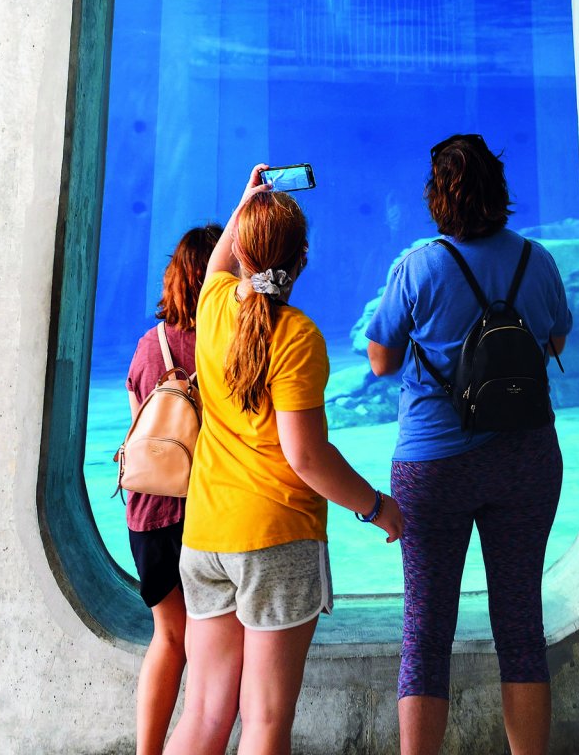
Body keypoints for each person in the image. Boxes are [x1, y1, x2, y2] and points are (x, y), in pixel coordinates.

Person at [164, 165, 403, 755]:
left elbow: (222, 262)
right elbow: (306, 454)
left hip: (205, 538)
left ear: (241, 248)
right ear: (302, 260)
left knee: (202, 713)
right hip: (276, 542)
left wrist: (247, 201)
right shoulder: (297, 335)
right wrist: (376, 507)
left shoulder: (213, 306)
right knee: (265, 721)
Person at [366, 133, 572, 755]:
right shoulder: (536, 260)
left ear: (436, 197)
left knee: (426, 632)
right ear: (500, 192)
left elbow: (380, 360)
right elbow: (555, 342)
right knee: (520, 627)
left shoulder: (418, 267)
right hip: (527, 459)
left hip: (434, 465)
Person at [124, 222, 221, 755]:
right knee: (211, 646)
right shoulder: (224, 339)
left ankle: (150, 750)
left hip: (147, 513)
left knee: (168, 638)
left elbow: (140, 423)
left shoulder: (149, 343)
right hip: (205, 511)